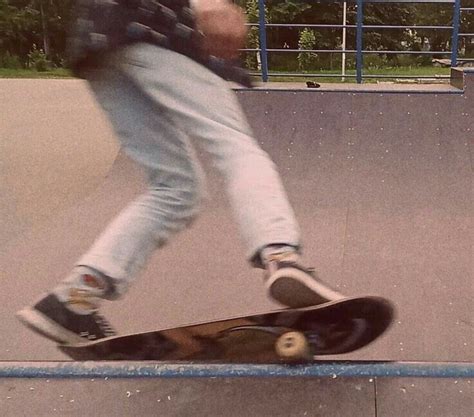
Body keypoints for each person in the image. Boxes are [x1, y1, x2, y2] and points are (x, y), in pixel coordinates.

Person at [17, 0, 344, 344]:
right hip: (155, 27)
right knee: (235, 147)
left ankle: (77, 296)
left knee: (176, 189)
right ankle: (280, 254)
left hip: (99, 43)